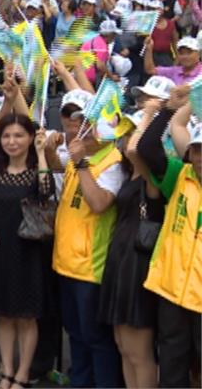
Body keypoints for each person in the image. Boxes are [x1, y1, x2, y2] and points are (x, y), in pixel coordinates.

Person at [48, 89, 125, 389]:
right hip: (65, 262)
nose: (84, 129)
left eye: (91, 123)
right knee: (76, 334)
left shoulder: (112, 161)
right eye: (82, 122)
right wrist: (50, 152)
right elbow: (58, 171)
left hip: (90, 268)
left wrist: (80, 163)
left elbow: (99, 203)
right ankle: (80, 382)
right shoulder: (82, 155)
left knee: (96, 339)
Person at [0, 114, 53, 389]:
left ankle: (23, 373)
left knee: (26, 316)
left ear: (30, 138)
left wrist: (42, 153)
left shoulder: (37, 172)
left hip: (29, 251)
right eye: (6, 136)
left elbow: (46, 192)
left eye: (19, 136)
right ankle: (7, 371)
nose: (12, 141)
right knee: (4, 314)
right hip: (0, 249)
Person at [138, 90, 202, 388]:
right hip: (172, 289)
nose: (201, 158)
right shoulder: (180, 174)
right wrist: (172, 108)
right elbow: (148, 148)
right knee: (173, 364)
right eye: (198, 150)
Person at [97, 108, 161, 389]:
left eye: (130, 132)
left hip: (139, 265)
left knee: (139, 352)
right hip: (120, 261)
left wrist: (149, 113)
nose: (124, 139)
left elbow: (137, 149)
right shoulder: (128, 173)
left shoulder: (152, 176)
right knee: (123, 346)